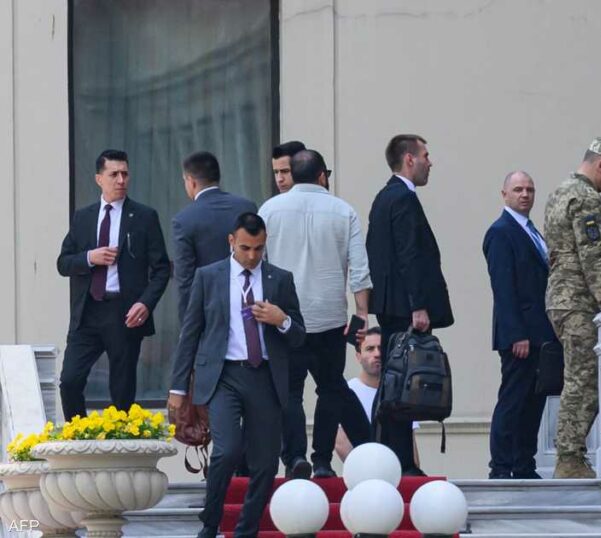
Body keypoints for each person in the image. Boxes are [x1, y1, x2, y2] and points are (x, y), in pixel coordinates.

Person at [168, 213, 305, 538]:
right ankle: (210, 522)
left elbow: (300, 336)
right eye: (245, 248)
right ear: (232, 241)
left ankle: (246, 530)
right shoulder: (208, 277)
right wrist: (177, 387)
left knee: (266, 463)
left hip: (265, 377)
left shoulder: (280, 279)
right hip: (223, 376)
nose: (252, 256)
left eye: (259, 248)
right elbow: (190, 333)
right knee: (227, 450)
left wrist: (282, 320)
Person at [259, 149, 373, 479]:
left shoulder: (270, 210)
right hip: (330, 318)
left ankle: (294, 457)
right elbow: (359, 269)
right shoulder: (343, 211)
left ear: (292, 174)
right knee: (330, 389)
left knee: (290, 393)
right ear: (322, 175)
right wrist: (362, 314)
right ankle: (322, 460)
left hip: (284, 318)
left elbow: (257, 263)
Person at [56, 149, 170, 421]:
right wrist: (89, 258)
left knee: (122, 390)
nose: (121, 180)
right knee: (70, 380)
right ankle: (80, 435)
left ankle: (120, 440)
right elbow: (63, 263)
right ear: (99, 179)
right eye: (114, 174)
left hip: (124, 312)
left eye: (125, 174)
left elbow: (162, 268)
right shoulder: (83, 217)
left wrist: (145, 303)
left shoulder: (143, 216)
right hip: (87, 311)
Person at [366, 134, 454, 476]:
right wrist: (418, 305)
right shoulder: (402, 198)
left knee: (395, 383)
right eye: (425, 156)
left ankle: (392, 458)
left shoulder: (384, 197)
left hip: (392, 304)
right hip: (405, 308)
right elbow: (409, 255)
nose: (430, 162)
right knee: (401, 385)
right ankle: (398, 461)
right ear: (409, 159)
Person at [544, 137, 601, 478]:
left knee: (578, 376)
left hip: (562, 299)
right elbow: (594, 256)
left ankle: (570, 454)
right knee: (584, 379)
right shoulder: (586, 199)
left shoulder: (559, 193)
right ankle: (570, 458)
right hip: (580, 300)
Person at [483, 170, 557, 480]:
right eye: (518, 189)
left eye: (529, 189)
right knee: (513, 400)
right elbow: (503, 288)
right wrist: (517, 334)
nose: (525, 195)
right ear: (504, 194)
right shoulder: (501, 232)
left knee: (534, 402)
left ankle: (524, 464)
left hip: (541, 333)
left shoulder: (532, 231)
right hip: (520, 336)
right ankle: (501, 466)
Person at [172, 151, 258, 323]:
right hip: (248, 302)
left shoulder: (184, 219)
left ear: (191, 181)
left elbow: (185, 278)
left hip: (209, 309)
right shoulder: (247, 207)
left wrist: (187, 323)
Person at [333, 327, 420, 464]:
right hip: (362, 472)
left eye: (381, 348)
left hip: (395, 472)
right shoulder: (347, 391)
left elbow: (410, 443)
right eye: (370, 349)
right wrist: (367, 469)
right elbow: (340, 442)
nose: (377, 354)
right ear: (358, 356)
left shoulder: (400, 392)